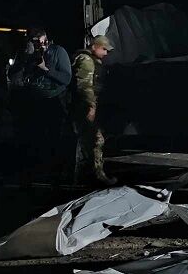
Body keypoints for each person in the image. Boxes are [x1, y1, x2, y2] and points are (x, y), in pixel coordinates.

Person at [11, 27, 72, 177]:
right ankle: (37, 169)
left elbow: (66, 79)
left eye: (42, 40)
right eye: (35, 41)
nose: (40, 44)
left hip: (54, 100)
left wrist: (46, 69)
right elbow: (13, 76)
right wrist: (25, 57)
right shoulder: (26, 53)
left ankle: (56, 170)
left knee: (54, 137)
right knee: (35, 138)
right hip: (32, 101)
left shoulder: (58, 51)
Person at [71, 35, 116, 186]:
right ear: (94, 46)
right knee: (95, 141)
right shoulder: (87, 61)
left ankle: (86, 176)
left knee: (88, 142)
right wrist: (91, 107)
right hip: (85, 108)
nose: (106, 53)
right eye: (104, 49)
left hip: (88, 107)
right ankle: (96, 176)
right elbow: (84, 87)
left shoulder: (93, 61)